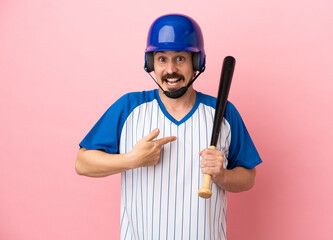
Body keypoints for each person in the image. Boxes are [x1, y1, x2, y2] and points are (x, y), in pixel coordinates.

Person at [76, 13, 262, 240]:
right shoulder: (129, 108)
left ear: (196, 63)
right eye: (162, 59)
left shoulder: (222, 113)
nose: (170, 69)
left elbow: (248, 177)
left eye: (180, 59)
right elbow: (82, 163)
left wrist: (221, 175)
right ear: (151, 63)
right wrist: (132, 159)